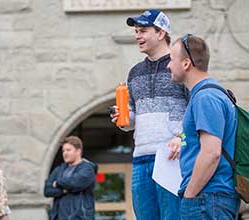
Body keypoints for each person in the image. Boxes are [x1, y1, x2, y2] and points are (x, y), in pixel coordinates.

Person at [110, 9, 189, 220]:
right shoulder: (134, 73)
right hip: (140, 159)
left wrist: (182, 140)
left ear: (161, 33)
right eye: (136, 31)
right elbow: (133, 118)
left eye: (143, 31)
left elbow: (195, 111)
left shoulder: (180, 67)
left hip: (172, 158)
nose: (137, 36)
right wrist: (123, 119)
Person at [167, 34, 240, 219]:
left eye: (171, 59)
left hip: (207, 199)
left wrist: (190, 194)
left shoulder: (205, 98)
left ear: (186, 63)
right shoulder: (210, 94)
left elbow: (211, 153)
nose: (168, 65)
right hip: (211, 198)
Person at [44, 136, 98, 220]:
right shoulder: (58, 170)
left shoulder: (87, 169)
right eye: (63, 151)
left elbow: (75, 183)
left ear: (78, 151)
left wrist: (57, 183)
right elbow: (47, 190)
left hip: (80, 217)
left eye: (68, 150)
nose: (65, 153)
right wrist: (64, 190)